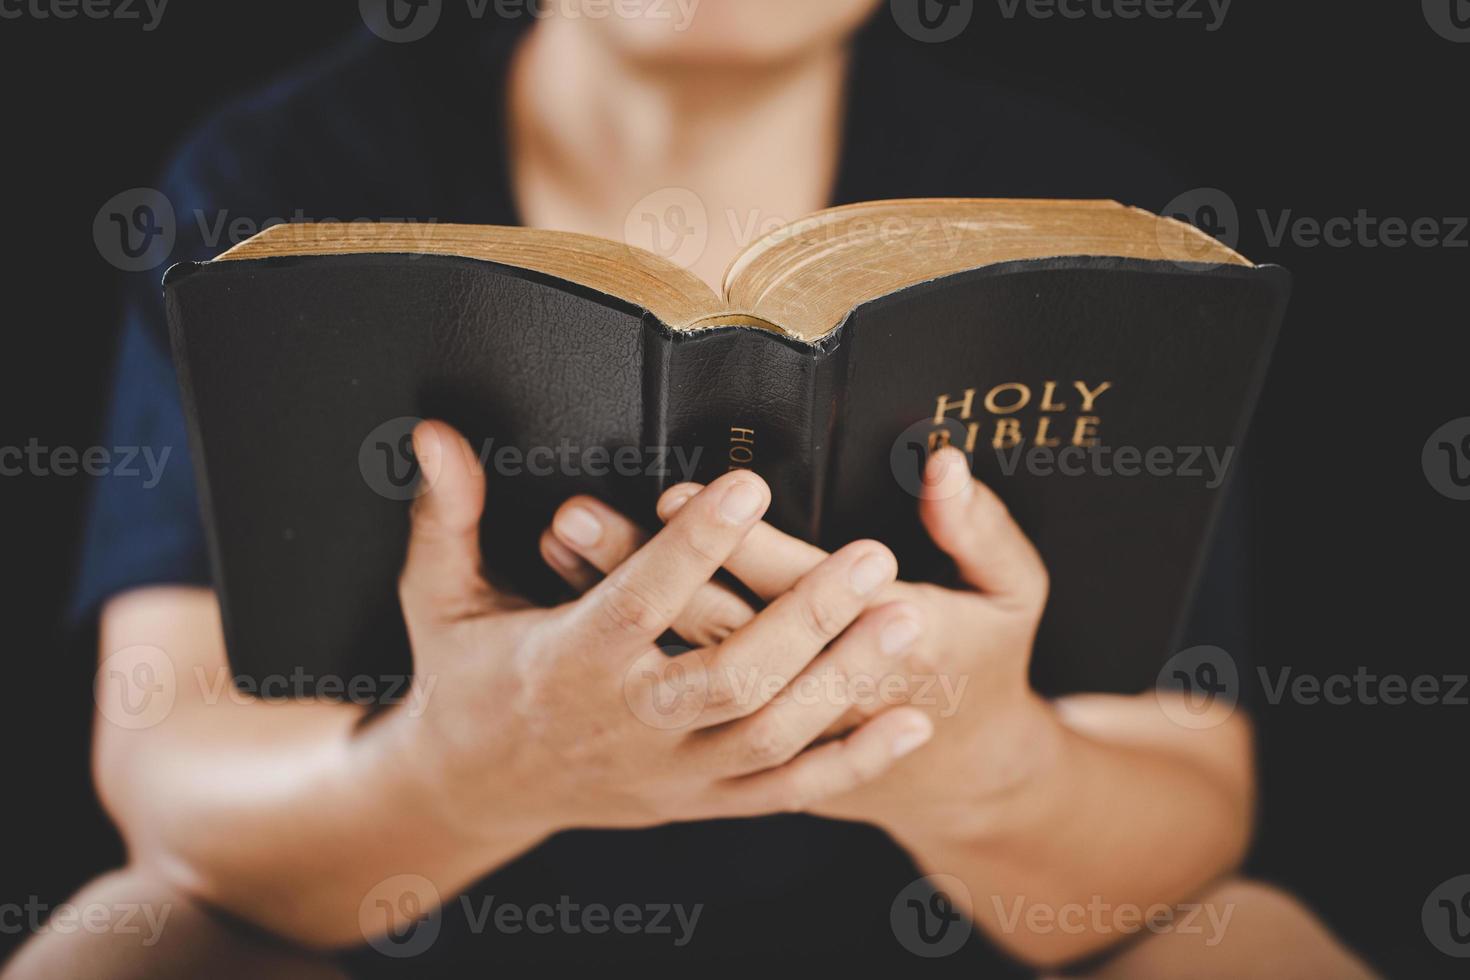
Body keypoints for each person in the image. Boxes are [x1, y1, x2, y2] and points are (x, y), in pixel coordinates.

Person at [6, 2, 1373, 976]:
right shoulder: (277, 191)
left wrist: (978, 761)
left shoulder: (1086, 218)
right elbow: (169, 779)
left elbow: (1190, 818)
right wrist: (466, 770)